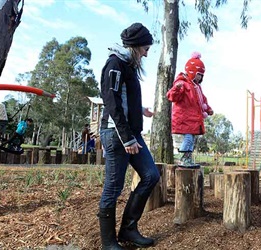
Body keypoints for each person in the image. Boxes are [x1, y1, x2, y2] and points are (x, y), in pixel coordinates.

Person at [98, 22, 160, 250]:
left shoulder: (128, 65)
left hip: (131, 133)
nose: (146, 54)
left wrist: (139, 109)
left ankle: (128, 229)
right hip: (117, 135)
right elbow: (112, 102)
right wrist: (126, 138)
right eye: (145, 49)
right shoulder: (114, 64)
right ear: (135, 47)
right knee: (113, 187)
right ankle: (108, 242)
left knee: (151, 175)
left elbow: (124, 98)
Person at [166, 52, 213, 167]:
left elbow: (203, 100)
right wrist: (176, 89)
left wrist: (208, 109)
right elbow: (172, 96)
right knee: (188, 138)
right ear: (192, 72)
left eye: (202, 75)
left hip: (193, 120)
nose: (200, 77)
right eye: (199, 74)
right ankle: (183, 158)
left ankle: (187, 158)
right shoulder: (182, 83)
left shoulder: (196, 87)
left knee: (192, 139)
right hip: (185, 118)